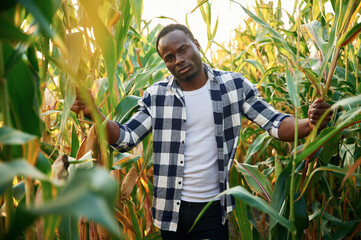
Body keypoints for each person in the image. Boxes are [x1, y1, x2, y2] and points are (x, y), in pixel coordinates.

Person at [72, 24, 332, 240]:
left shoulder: (234, 86)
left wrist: (310, 124)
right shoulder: (157, 95)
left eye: (183, 49)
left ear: (196, 43)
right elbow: (127, 139)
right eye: (169, 57)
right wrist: (95, 113)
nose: (179, 60)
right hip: (169, 212)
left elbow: (275, 124)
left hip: (211, 210)